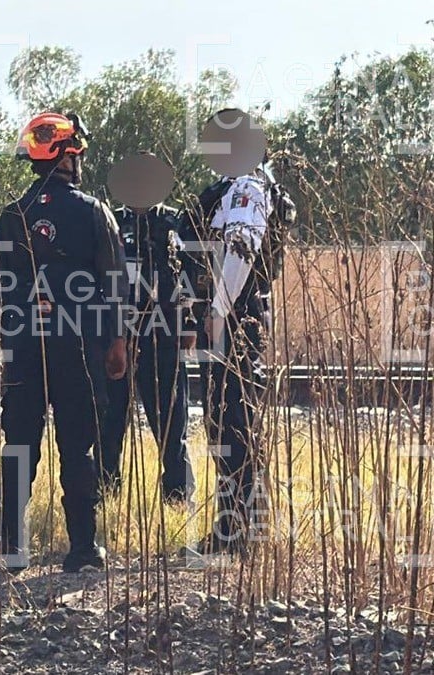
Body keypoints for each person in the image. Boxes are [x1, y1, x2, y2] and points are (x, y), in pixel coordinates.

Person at [0, 112, 128, 572]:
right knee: (79, 445)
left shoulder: (11, 215)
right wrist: (116, 343)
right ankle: (83, 550)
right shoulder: (92, 211)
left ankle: (11, 548)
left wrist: (9, 341)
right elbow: (115, 284)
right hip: (78, 349)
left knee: (19, 443)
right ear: (68, 156)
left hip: (25, 348)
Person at [183, 128, 293, 556]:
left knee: (231, 424)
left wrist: (215, 311)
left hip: (233, 322)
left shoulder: (247, 187)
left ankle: (237, 534)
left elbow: (242, 250)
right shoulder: (246, 185)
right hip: (237, 318)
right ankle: (241, 529)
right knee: (231, 424)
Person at [98, 191, 195, 504]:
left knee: (171, 424)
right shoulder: (111, 220)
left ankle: (178, 498)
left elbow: (191, 273)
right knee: (109, 423)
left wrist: (189, 324)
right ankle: (105, 494)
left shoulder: (174, 222)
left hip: (162, 337)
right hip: (117, 336)